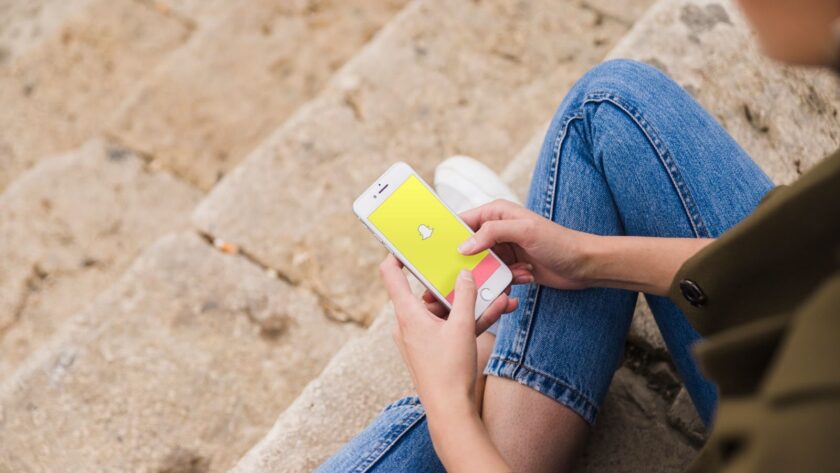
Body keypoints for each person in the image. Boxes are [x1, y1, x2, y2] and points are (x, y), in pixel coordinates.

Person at [318, 0, 840, 471]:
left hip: (779, 405)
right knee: (609, 107)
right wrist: (586, 258)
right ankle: (502, 372)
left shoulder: (800, 439)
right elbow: (810, 259)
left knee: (455, 401)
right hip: (797, 344)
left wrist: (448, 406)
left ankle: (493, 370)